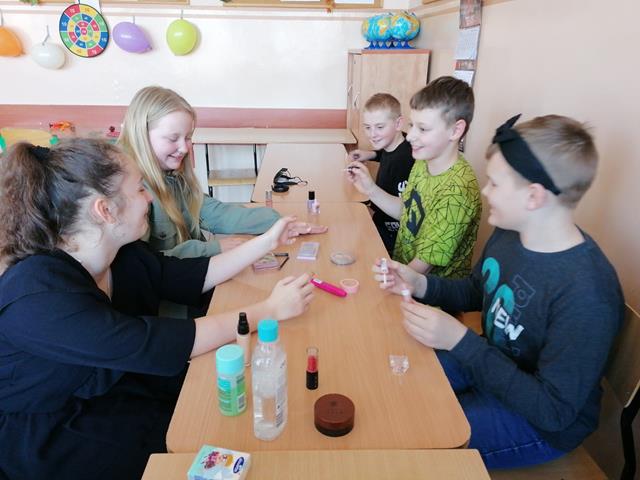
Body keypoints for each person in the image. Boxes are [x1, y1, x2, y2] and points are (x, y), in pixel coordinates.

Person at [0, 139, 314, 480]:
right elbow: (155, 343)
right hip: (51, 429)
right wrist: (269, 309)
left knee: (221, 406)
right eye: (140, 189)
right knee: (192, 440)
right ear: (105, 210)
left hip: (117, 386)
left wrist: (268, 240)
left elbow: (187, 276)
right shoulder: (39, 296)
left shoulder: (120, 254)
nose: (149, 198)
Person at [372, 114, 624, 469]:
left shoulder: (587, 293)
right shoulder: (512, 231)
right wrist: (420, 283)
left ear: (533, 196)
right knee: (391, 387)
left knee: (414, 436)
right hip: (492, 363)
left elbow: (553, 410)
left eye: (494, 183)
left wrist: (460, 341)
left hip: (539, 421)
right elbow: (477, 290)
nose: (485, 191)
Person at [119, 86, 326, 259]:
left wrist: (278, 222)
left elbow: (218, 214)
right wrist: (213, 248)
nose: (184, 148)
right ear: (141, 135)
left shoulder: (173, 176)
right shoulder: (131, 193)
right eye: (173, 138)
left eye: (188, 137)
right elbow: (148, 264)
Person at [347, 76, 481, 278]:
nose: (409, 136)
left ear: (456, 130)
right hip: (401, 270)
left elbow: (423, 267)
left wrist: (384, 280)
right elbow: (407, 211)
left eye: (423, 129)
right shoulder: (422, 162)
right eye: (412, 125)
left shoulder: (458, 191)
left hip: (426, 289)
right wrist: (370, 189)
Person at [347, 93, 414, 254]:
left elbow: (405, 214)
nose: (372, 134)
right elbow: (387, 152)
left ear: (398, 124)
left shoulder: (406, 159)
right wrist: (370, 154)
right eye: (367, 127)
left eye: (379, 127)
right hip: (379, 219)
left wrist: (369, 194)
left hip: (392, 238)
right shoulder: (399, 141)